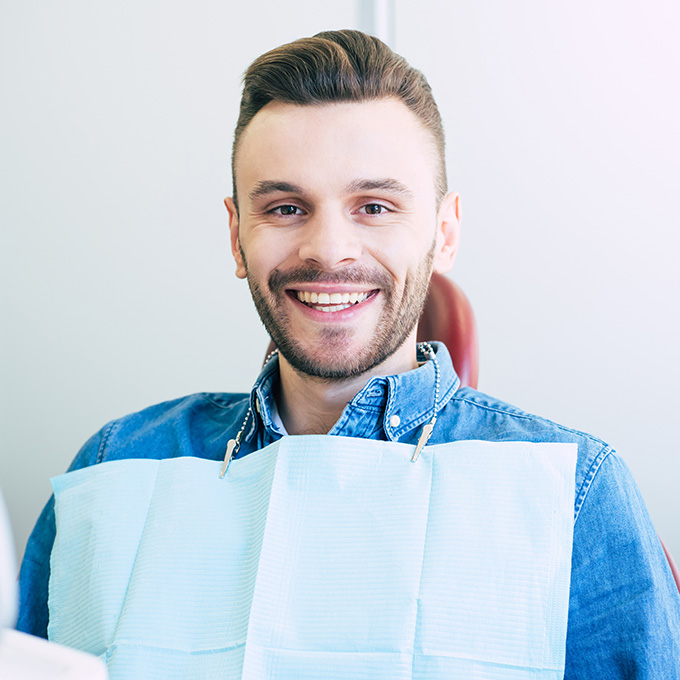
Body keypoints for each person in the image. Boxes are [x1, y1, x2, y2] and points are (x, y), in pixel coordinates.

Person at [17, 29, 680, 678]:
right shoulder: (117, 468)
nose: (328, 250)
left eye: (373, 205)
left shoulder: (574, 493)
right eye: (284, 208)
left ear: (444, 234)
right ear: (235, 234)